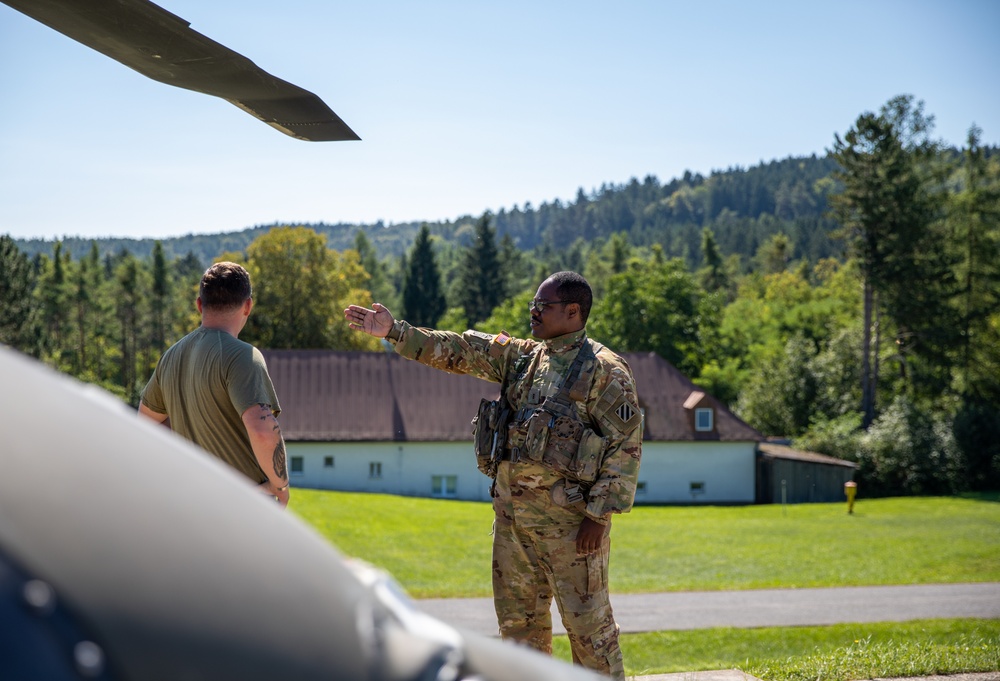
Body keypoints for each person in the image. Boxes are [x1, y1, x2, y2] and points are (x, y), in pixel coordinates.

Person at [345, 271, 642, 679]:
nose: (534, 313)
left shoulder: (604, 370)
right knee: (519, 629)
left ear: (573, 312)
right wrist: (395, 331)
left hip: (571, 530)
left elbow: (624, 447)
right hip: (513, 526)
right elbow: (460, 350)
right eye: (533, 305)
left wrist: (598, 516)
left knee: (589, 632)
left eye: (544, 306)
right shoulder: (524, 357)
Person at [139, 261, 290, 507]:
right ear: (248, 306)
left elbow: (146, 425)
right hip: (243, 506)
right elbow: (263, 432)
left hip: (192, 504)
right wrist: (279, 485)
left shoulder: (171, 356)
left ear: (200, 304)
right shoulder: (243, 356)